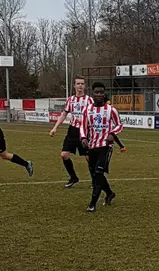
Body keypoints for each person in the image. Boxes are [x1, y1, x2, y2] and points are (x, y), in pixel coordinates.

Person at [80, 82, 123, 212]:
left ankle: (92, 204)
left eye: (101, 92)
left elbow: (119, 125)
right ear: (92, 93)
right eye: (96, 92)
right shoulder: (87, 110)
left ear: (104, 93)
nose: (99, 95)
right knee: (95, 174)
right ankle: (109, 193)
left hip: (105, 146)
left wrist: (112, 133)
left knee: (98, 173)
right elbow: (83, 126)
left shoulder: (111, 110)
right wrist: (83, 137)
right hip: (92, 146)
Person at [49, 76, 94, 188]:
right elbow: (64, 114)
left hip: (85, 131)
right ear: (74, 85)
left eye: (82, 84)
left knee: (88, 157)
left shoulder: (89, 100)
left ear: (84, 86)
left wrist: (84, 120)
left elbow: (94, 115)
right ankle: (73, 177)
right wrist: (55, 127)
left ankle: (95, 180)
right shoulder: (70, 100)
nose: (80, 86)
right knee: (64, 155)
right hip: (72, 130)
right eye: (78, 83)